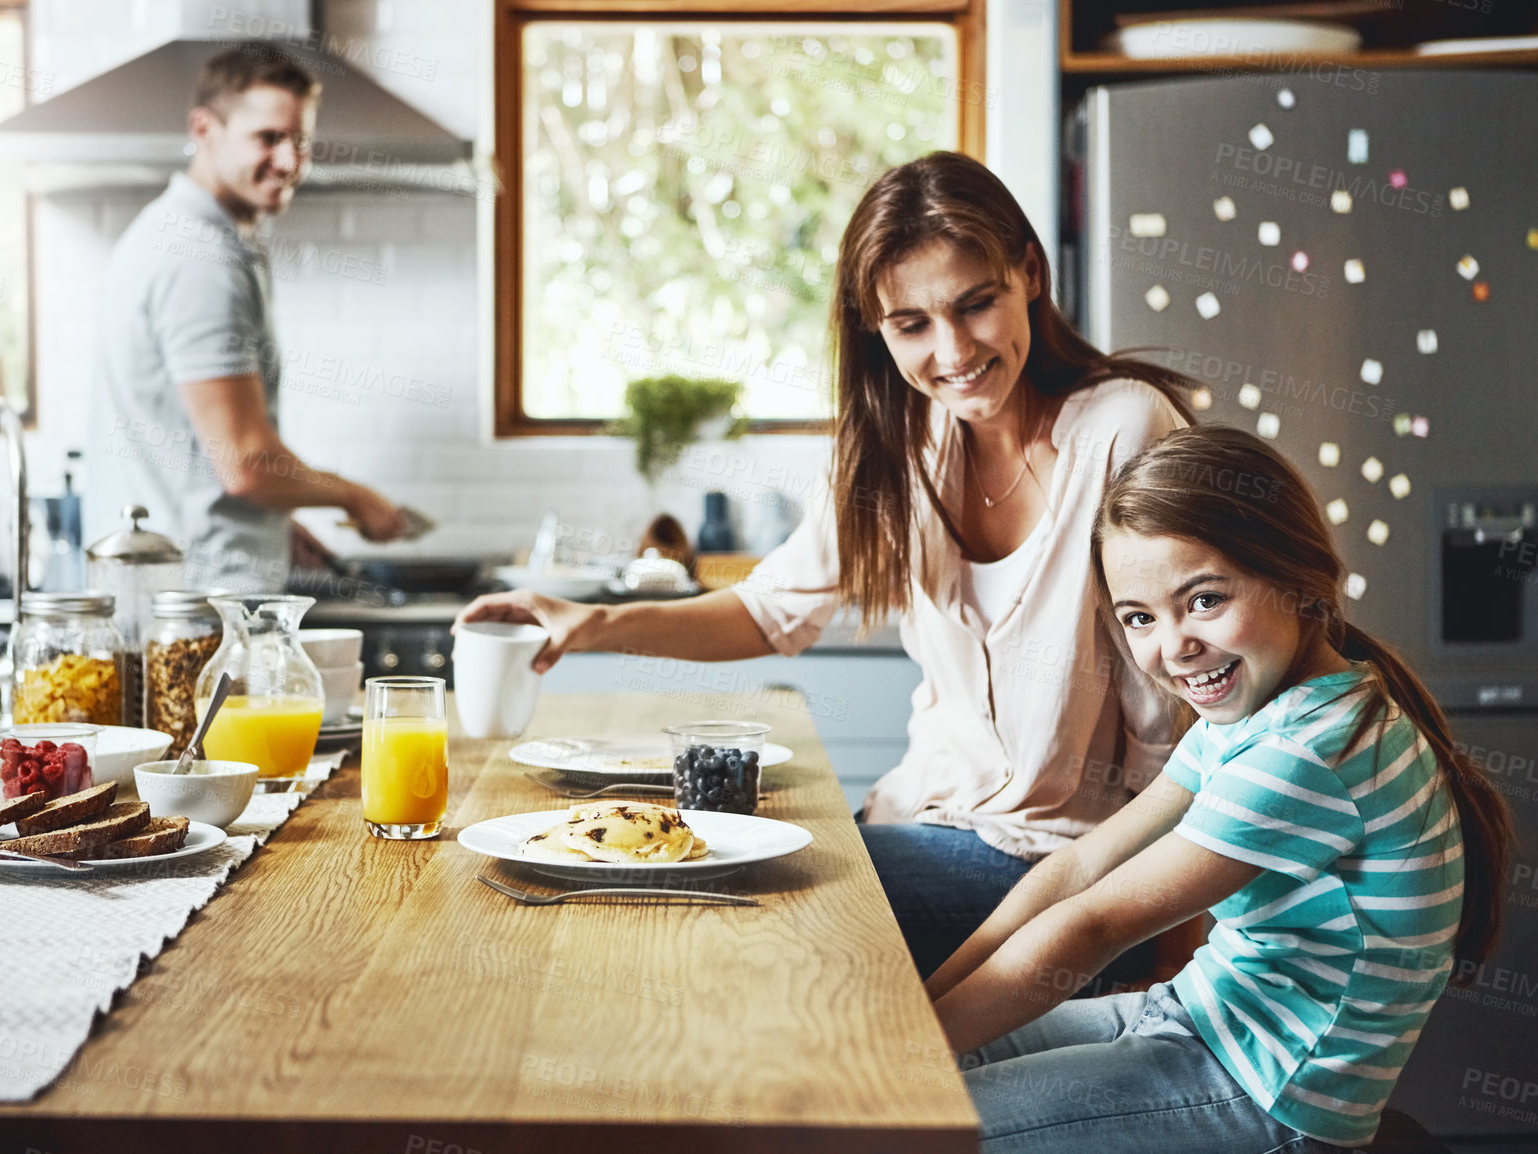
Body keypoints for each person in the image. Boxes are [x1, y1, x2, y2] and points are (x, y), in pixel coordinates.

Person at [458, 151, 1201, 975]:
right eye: (911, 324)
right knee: (645, 866)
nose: (952, 349)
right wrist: (594, 625)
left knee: (732, 899)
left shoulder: (1124, 431)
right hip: (916, 817)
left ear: (1028, 272)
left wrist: (1169, 933)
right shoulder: (900, 445)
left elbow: (1179, 703)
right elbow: (771, 609)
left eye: (975, 304)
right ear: (874, 329)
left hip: (1061, 865)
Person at [929, 425, 1513, 1152]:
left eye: (1203, 600)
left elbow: (1095, 926)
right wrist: (917, 1015)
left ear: (1297, 579)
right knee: (929, 1066)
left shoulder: (1309, 752)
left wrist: (898, 1055)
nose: (1173, 646)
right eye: (1140, 617)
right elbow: (1080, 866)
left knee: (919, 1125)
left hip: (1271, 1090)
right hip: (1201, 1016)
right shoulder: (1254, 715)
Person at [88, 42, 405, 591]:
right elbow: (247, 466)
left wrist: (274, 523)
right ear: (204, 129)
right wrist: (357, 497)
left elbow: (205, 458)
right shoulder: (200, 261)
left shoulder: (182, 237)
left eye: (300, 140)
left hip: (185, 588)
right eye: (269, 138)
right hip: (206, 607)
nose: (290, 162)